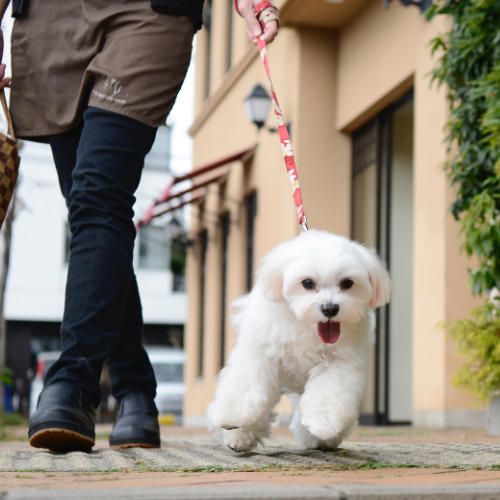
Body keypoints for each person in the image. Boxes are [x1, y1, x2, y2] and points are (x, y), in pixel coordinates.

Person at [0, 0, 279, 452]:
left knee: (98, 194)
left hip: (149, 11)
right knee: (94, 214)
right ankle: (135, 392)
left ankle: (72, 383)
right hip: (53, 19)